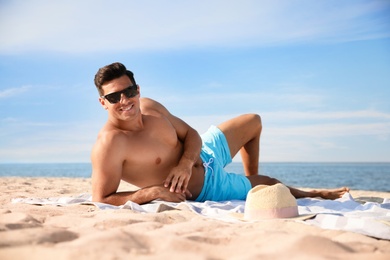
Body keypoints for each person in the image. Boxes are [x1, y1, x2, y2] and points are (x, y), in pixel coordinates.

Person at [91, 62, 349, 206]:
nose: (124, 100)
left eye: (129, 91)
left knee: (253, 121)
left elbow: (191, 133)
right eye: (114, 97)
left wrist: (185, 163)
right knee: (271, 183)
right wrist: (150, 193)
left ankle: (251, 183)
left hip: (203, 153)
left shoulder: (150, 106)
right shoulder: (111, 143)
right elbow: (101, 198)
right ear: (103, 102)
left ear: (138, 89)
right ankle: (304, 192)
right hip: (207, 186)